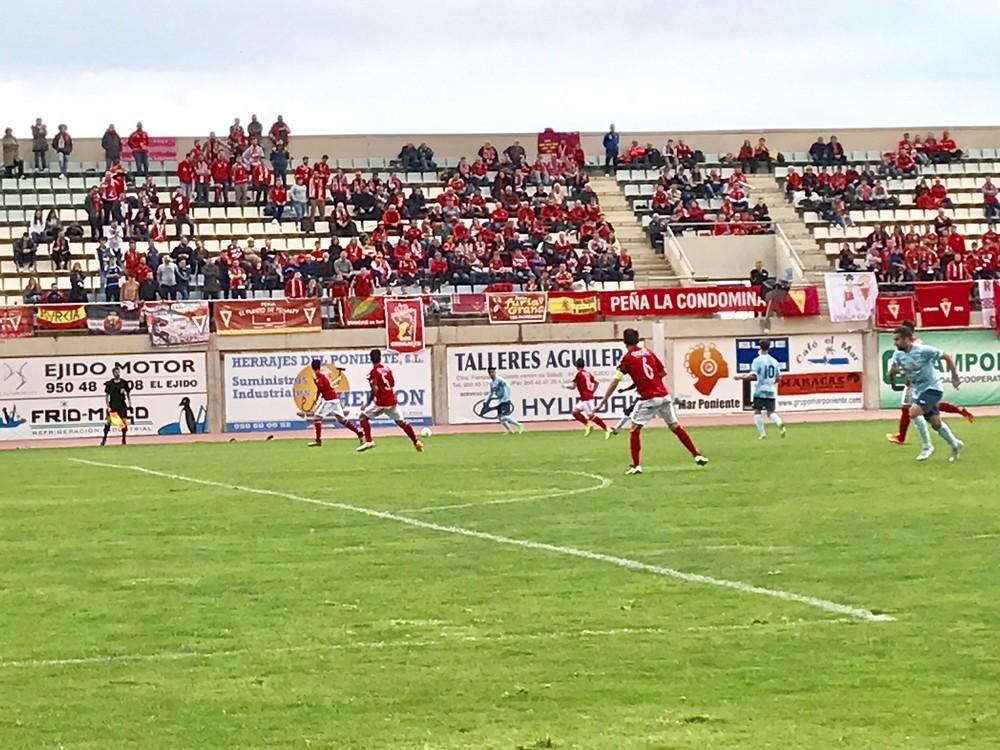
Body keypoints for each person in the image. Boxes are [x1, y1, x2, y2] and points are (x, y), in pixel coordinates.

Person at [596, 328, 708, 474]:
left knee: (634, 430)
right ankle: (697, 455)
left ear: (624, 342)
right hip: (664, 396)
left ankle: (636, 466)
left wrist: (604, 400)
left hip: (649, 398)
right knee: (675, 427)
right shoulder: (649, 352)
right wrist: (653, 382)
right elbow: (663, 372)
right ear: (638, 340)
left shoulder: (627, 358)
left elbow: (615, 381)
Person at [886, 322, 974, 445]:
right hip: (916, 386)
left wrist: (954, 376)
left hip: (921, 385)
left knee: (911, 410)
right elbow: (894, 370)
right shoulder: (899, 352)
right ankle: (956, 435)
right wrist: (894, 372)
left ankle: (918, 443)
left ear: (907, 336)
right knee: (934, 420)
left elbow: (942, 357)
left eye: (897, 339)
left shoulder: (919, 347)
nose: (895, 342)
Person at [356, 349, 425, 453]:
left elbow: (375, 390)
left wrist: (368, 402)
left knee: (362, 417)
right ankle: (416, 442)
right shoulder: (387, 369)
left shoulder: (373, 372)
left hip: (380, 402)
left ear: (371, 359)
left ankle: (369, 441)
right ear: (380, 357)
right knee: (401, 422)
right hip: (392, 401)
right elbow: (392, 384)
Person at [297, 359, 364, 448]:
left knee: (317, 418)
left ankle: (318, 440)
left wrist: (317, 399)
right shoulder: (321, 375)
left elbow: (322, 389)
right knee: (342, 420)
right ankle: (358, 433)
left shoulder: (318, 376)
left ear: (312, 368)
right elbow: (323, 388)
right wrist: (317, 398)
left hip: (329, 400)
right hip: (334, 399)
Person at [737, 339, 786, 440]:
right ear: (769, 348)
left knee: (757, 411)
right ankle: (779, 423)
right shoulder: (774, 361)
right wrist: (771, 382)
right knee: (770, 412)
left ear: (760, 347)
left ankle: (763, 434)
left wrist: (741, 377)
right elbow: (779, 377)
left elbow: (753, 376)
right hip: (771, 390)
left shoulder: (757, 360)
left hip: (760, 390)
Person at [566, 358, 612, 437]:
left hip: (586, 399)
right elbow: (596, 383)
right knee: (575, 412)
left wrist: (565, 386)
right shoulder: (588, 373)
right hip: (585, 398)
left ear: (576, 366)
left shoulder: (579, 374)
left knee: (591, 415)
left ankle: (607, 429)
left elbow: (573, 387)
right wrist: (592, 391)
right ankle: (588, 425)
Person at [101, 365, 133, 447]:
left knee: (124, 423)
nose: (117, 374)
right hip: (113, 406)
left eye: (118, 372)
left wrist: (130, 403)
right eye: (116, 372)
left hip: (122, 406)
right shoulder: (110, 384)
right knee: (108, 422)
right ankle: (104, 440)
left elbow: (128, 393)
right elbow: (107, 396)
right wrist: (108, 406)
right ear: (113, 373)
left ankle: (123, 439)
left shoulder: (124, 383)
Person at [485, 366, 523, 434]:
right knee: (500, 418)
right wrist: (486, 400)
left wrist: (507, 396)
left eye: (493, 372)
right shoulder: (491, 383)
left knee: (503, 417)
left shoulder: (499, 380)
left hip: (505, 400)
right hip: (500, 400)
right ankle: (509, 430)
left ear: (495, 372)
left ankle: (519, 425)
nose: (491, 374)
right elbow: (491, 392)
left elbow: (508, 386)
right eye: (490, 372)